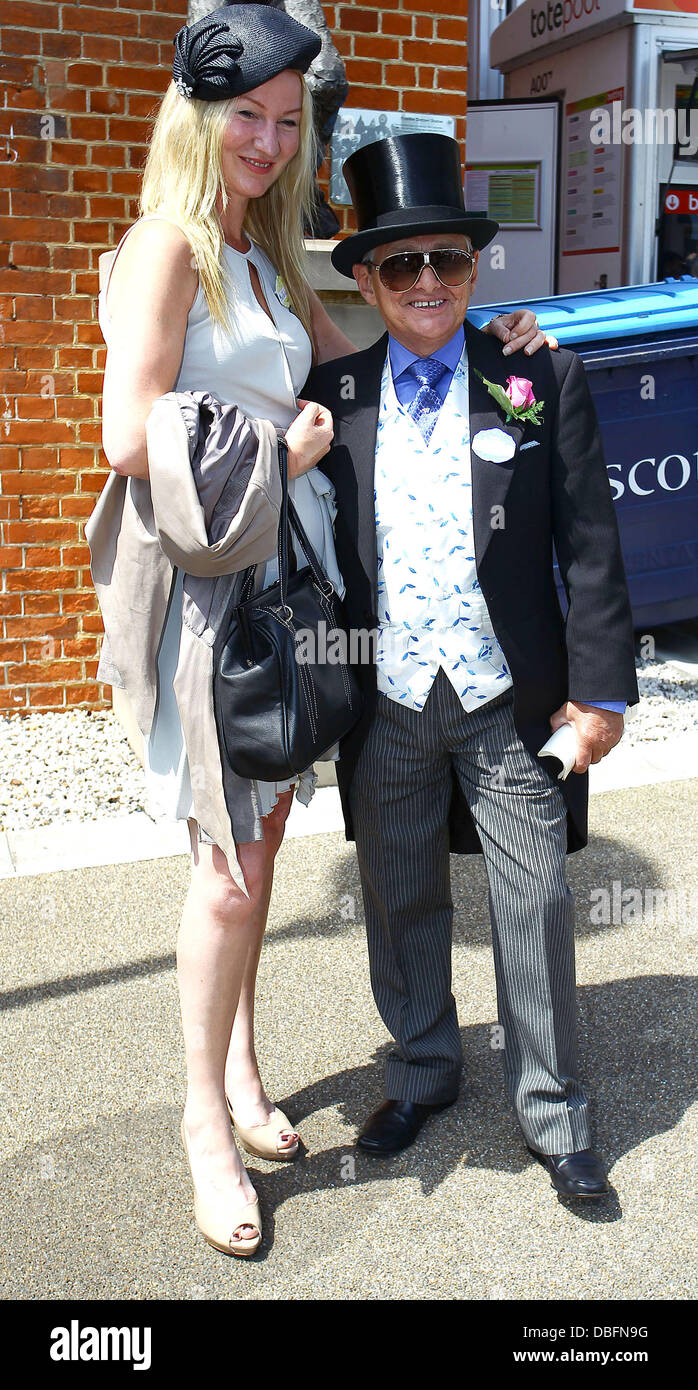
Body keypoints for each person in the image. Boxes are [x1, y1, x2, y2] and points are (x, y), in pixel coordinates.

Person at [93, 3, 550, 1256]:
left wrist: (498, 342)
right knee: (229, 868)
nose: (266, 140)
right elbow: (126, 435)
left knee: (268, 830)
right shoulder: (166, 246)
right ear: (199, 112)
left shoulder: (252, 254)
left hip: (276, 586)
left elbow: (362, 354)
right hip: (204, 587)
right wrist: (275, 445)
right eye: (246, 114)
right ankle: (200, 1121)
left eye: (288, 123)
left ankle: (241, 1076)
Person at [305, 133, 639, 1199]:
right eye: (398, 264)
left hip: (510, 697)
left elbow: (587, 545)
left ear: (475, 266)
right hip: (387, 698)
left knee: (534, 902)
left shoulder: (535, 376)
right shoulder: (329, 395)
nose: (426, 281)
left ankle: (552, 1110)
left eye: (445, 258)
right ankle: (420, 1069)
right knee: (399, 897)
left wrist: (598, 695)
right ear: (363, 278)